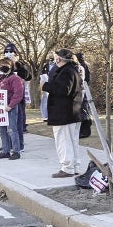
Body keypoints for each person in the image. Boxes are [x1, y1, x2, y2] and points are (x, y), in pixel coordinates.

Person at [41, 48, 83, 178]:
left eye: (55, 57)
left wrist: (45, 86)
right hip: (71, 112)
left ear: (59, 59)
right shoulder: (72, 70)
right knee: (72, 141)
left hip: (64, 113)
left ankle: (67, 167)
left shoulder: (67, 72)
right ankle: (74, 166)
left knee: (64, 141)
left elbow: (64, 90)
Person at [4, 42, 30, 145]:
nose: (9, 53)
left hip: (18, 98)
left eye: (11, 52)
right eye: (6, 52)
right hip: (6, 98)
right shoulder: (3, 64)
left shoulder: (21, 65)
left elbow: (28, 76)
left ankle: (20, 144)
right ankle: (7, 144)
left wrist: (17, 64)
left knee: (18, 123)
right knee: (7, 124)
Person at [76, 52, 92, 139]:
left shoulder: (81, 66)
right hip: (84, 89)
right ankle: (85, 130)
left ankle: (85, 131)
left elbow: (87, 79)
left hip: (83, 90)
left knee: (84, 110)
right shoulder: (84, 65)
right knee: (84, 110)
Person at [40, 53, 57, 121]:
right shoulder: (45, 66)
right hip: (46, 82)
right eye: (50, 57)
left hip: (54, 83)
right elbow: (42, 73)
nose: (51, 58)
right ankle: (45, 116)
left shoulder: (57, 65)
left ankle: (53, 114)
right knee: (45, 99)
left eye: (52, 57)